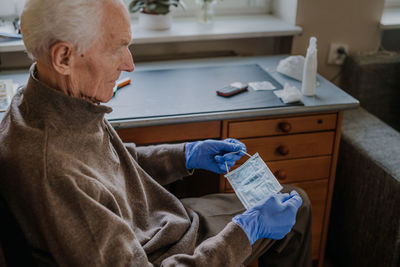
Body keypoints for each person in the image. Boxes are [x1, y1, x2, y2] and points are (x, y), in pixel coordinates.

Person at [0, 0, 312, 266]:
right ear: (64, 58)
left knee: (289, 201)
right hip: (158, 252)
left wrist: (186, 154)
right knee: (297, 208)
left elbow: (108, 164)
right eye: (117, 48)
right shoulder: (51, 168)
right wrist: (244, 233)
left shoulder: (46, 100)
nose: (129, 63)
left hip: (156, 223)